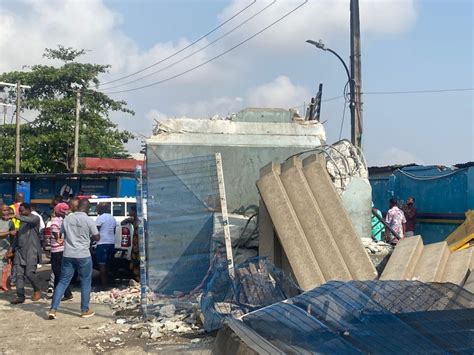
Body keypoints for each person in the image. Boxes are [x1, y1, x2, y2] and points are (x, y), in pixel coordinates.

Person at [48, 198, 99, 319]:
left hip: (68, 254)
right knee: (85, 281)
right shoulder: (89, 220)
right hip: (83, 255)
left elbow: (61, 233)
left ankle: (53, 309)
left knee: (63, 281)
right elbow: (96, 237)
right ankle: (84, 310)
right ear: (88, 208)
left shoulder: (67, 218)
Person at [10, 203, 43, 304]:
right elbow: (17, 236)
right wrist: (11, 249)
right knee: (19, 275)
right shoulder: (21, 221)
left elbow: (29, 220)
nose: (21, 213)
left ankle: (37, 290)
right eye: (19, 211)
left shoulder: (35, 219)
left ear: (29, 210)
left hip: (31, 251)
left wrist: (16, 216)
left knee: (29, 273)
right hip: (20, 251)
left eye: (23, 210)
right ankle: (20, 296)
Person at [49, 203, 73, 301]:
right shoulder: (65, 220)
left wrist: (58, 239)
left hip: (56, 249)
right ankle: (57, 293)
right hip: (64, 249)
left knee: (58, 272)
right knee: (60, 272)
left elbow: (56, 236)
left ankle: (67, 293)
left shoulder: (55, 221)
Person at [95, 203, 116, 289]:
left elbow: (96, 232)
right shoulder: (112, 218)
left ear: (102, 209)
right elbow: (114, 231)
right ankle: (106, 282)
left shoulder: (100, 218)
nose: (97, 211)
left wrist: (91, 242)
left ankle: (104, 286)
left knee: (101, 265)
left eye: (98, 209)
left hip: (101, 243)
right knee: (107, 264)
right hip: (111, 243)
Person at [0, 204, 16, 291]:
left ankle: (5, 284)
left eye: (7, 211)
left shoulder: (10, 222)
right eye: (4, 210)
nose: (6, 212)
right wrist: (9, 232)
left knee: (5, 268)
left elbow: (13, 238)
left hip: (5, 249)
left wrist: (10, 250)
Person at [122, 206, 139, 281]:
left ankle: (138, 278)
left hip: (138, 244)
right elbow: (124, 221)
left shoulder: (138, 221)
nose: (129, 212)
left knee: (136, 262)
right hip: (135, 244)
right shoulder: (134, 220)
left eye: (130, 210)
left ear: (134, 211)